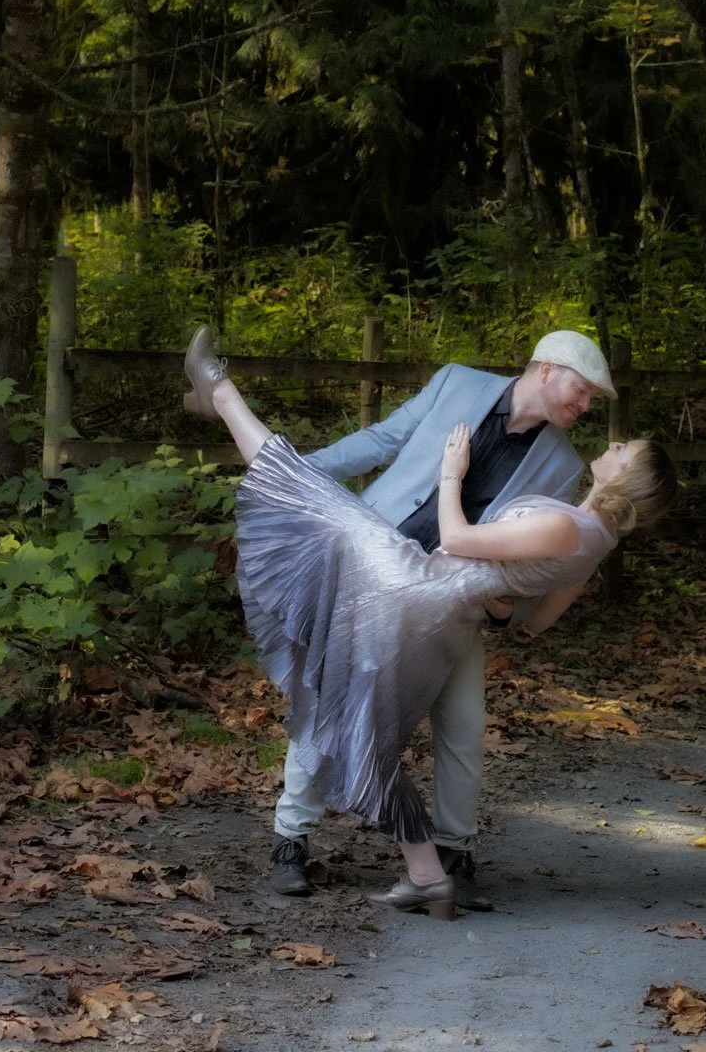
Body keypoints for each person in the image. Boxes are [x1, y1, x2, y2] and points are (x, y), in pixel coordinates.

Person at [182, 326, 677, 915]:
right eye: (584, 389)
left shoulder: (565, 466)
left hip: (452, 605)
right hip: (377, 570)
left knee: (462, 726)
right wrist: (305, 476)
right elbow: (380, 440)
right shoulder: (457, 383)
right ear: (547, 370)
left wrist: (506, 607)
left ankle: (451, 857)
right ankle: (292, 838)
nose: (587, 404)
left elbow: (537, 571)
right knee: (331, 697)